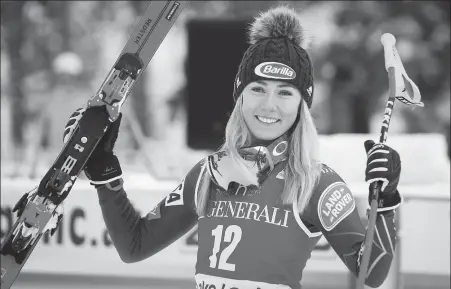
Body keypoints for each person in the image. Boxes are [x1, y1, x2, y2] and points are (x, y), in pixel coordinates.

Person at [63, 6, 402, 289]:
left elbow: (371, 273)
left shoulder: (316, 183)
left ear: (302, 105)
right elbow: (134, 246)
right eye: (258, 89)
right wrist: (105, 174)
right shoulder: (210, 173)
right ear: (240, 96)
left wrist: (385, 201)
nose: (269, 105)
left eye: (285, 93)